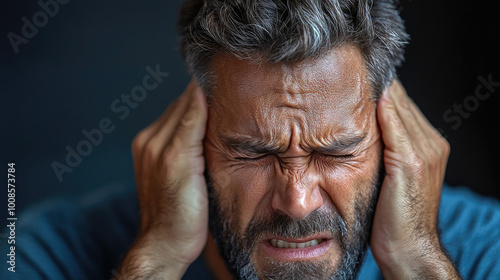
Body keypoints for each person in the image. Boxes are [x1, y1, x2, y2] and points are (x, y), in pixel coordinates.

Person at [2, 0, 500, 279]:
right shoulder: (39, 255)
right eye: (253, 152)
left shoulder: (485, 248)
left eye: (337, 151)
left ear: (394, 139)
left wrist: (418, 264)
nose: (298, 202)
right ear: (191, 139)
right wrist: (154, 262)